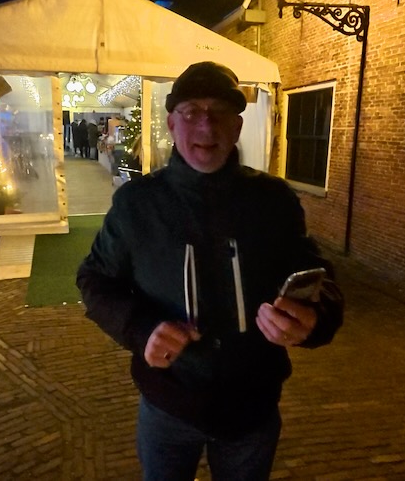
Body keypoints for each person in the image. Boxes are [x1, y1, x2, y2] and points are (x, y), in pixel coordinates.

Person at [76, 61, 344, 480]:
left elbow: (317, 278)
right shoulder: (137, 204)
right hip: (167, 405)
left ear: (237, 127)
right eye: (191, 112)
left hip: (252, 409)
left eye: (220, 111)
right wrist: (141, 330)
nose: (206, 125)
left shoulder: (273, 201)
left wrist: (313, 318)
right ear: (171, 124)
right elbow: (94, 279)